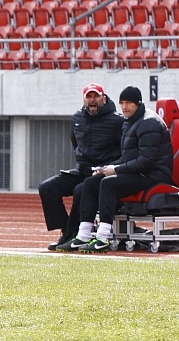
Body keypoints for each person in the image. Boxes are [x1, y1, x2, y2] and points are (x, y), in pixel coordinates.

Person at [64, 86, 174, 253]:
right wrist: (106, 168)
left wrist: (116, 170)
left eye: (128, 103)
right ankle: (83, 235)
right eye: (122, 103)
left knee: (108, 184)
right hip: (139, 171)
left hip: (154, 175)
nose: (124, 107)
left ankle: (102, 237)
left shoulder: (148, 123)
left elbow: (146, 162)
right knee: (91, 182)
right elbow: (127, 157)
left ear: (138, 103)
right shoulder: (130, 122)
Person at [39, 83, 124, 251]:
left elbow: (125, 149)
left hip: (102, 173)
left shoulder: (117, 121)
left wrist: (109, 167)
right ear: (84, 99)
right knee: (47, 188)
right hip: (82, 170)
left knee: (81, 190)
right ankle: (67, 230)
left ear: (103, 98)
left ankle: (73, 234)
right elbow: (75, 143)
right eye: (89, 96)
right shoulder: (77, 118)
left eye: (96, 96)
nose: (92, 100)